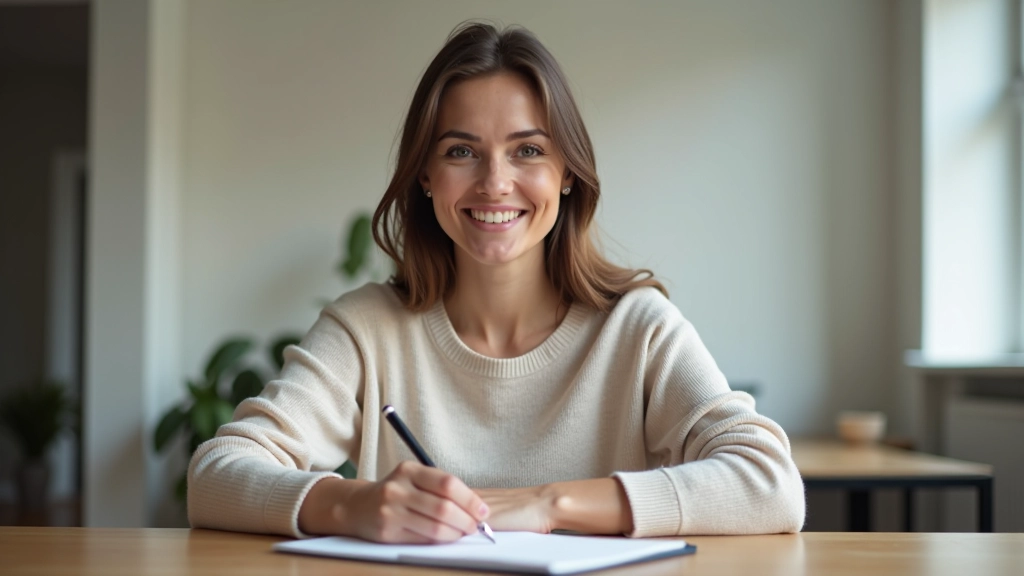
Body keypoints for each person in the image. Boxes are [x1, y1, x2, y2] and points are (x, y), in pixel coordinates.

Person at [188, 22, 805, 543]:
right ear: (425, 176)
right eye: (460, 152)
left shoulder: (636, 327)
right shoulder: (366, 329)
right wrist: (350, 505)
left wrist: (546, 504)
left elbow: (771, 484)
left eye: (528, 151)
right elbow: (215, 474)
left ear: (567, 173)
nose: (494, 182)